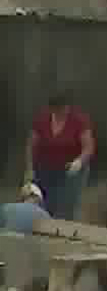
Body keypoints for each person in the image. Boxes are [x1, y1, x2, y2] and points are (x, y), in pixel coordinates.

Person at [26, 91, 94, 221]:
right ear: (52, 108)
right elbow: (31, 146)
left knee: (66, 205)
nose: (63, 112)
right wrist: (29, 169)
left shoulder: (79, 120)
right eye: (59, 109)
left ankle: (63, 231)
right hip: (45, 167)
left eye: (65, 108)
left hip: (71, 169)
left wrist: (79, 162)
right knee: (42, 202)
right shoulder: (42, 120)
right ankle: (41, 231)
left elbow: (88, 147)